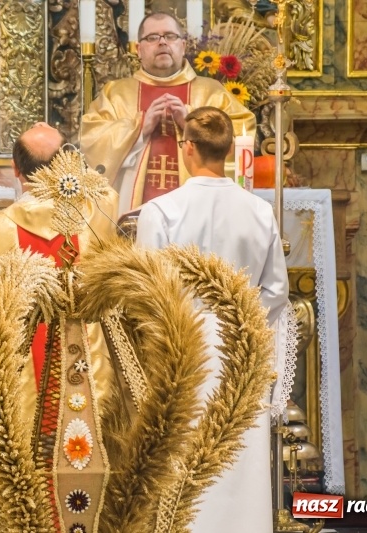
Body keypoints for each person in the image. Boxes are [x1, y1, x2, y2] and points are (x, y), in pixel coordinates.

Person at [136, 106, 289, 533]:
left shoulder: (162, 211)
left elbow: (152, 296)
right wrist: (242, 324)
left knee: (185, 465)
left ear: (187, 149)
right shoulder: (259, 212)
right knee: (240, 462)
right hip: (242, 356)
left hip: (184, 356)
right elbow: (276, 290)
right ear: (226, 151)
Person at [0, 121, 119, 429]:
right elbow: (105, 189)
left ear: (15, 169)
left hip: (22, 360)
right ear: (68, 163)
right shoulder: (94, 217)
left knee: (27, 441)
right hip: (84, 356)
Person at [80, 11, 256, 216]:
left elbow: (244, 139)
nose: (162, 42)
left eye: (170, 36)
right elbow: (91, 140)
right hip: (131, 212)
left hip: (199, 214)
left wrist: (192, 123)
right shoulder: (115, 93)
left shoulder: (213, 92)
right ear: (138, 49)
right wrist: (138, 128)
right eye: (152, 38)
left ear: (183, 46)